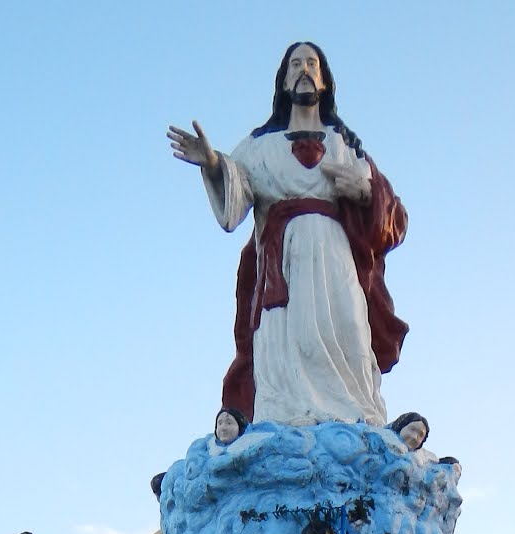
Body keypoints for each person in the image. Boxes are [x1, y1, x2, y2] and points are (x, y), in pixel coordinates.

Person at [169, 41, 408, 427]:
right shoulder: (259, 147)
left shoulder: (347, 147)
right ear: (282, 83)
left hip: (336, 261)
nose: (304, 70)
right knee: (285, 344)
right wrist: (213, 164)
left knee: (348, 335)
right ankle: (284, 425)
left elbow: (395, 220)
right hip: (283, 265)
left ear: (325, 81)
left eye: (312, 64)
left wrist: (365, 193)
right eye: (295, 64)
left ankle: (359, 425)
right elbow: (234, 206)